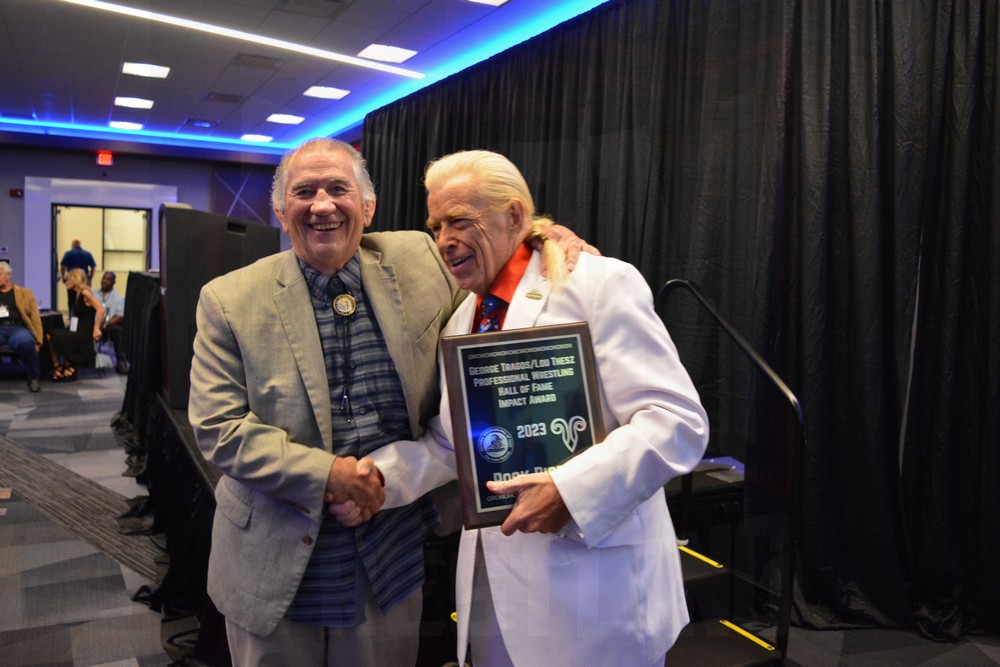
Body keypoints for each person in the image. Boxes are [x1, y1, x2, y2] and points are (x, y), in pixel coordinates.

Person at [187, 137, 590, 666]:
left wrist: (541, 238)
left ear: (369, 206)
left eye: (338, 188)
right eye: (304, 192)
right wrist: (329, 474)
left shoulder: (423, 257)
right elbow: (219, 428)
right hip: (275, 561)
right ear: (283, 213)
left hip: (390, 556)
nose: (323, 204)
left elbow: (497, 253)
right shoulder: (229, 299)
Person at [355, 150, 710, 667]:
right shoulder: (462, 322)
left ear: (515, 216)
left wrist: (570, 491)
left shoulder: (595, 283)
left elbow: (676, 422)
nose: (445, 240)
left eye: (460, 221)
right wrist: (373, 478)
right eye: (436, 225)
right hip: (494, 600)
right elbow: (454, 445)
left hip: (594, 597)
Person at [46, 268, 104, 382]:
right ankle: (59, 367)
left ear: (75, 280)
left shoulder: (85, 293)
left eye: (68, 280)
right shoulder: (76, 294)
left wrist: (96, 328)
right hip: (76, 329)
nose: (66, 282)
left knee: (54, 335)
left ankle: (68, 367)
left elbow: (100, 309)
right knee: (51, 334)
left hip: (83, 333)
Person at [0, 261, 44, 392]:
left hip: (17, 329)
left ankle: (34, 379)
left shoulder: (25, 293)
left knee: (26, 342)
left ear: (8, 275)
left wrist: (38, 340)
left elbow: (35, 319)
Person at [96, 271, 127, 373]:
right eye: (103, 278)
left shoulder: (118, 299)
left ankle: (121, 362)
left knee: (118, 331)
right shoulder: (93, 294)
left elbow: (120, 316)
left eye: (108, 279)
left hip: (107, 326)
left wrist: (106, 324)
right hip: (92, 325)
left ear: (113, 282)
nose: (104, 281)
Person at [60, 239, 97, 311]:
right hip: (84, 280)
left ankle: (72, 316)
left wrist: (63, 276)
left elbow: (62, 266)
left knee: (71, 300)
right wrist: (90, 278)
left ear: (72, 245)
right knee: (85, 300)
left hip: (72, 280)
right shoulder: (87, 254)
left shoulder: (68, 254)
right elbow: (93, 267)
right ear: (80, 244)